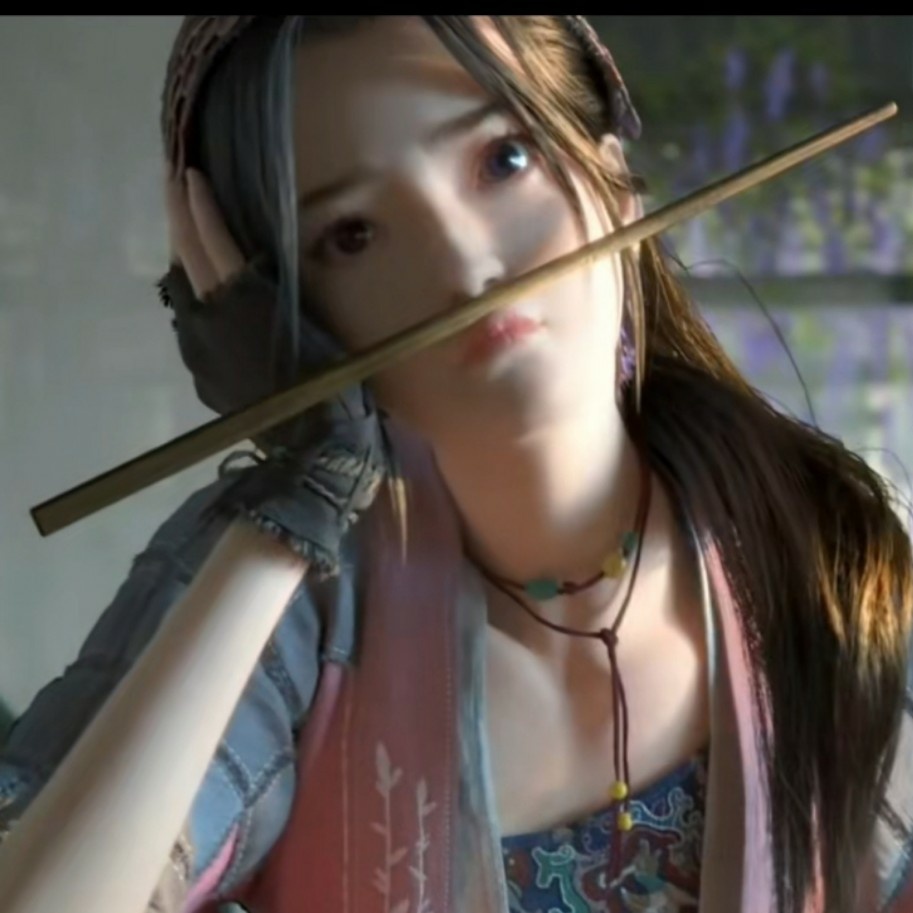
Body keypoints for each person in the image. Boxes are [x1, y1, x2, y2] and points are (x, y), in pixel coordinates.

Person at [0, 15, 911, 913]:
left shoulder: (834, 548)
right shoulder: (295, 602)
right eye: (351, 234)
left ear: (613, 184)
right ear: (288, 318)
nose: (463, 263)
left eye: (502, 160)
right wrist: (294, 500)